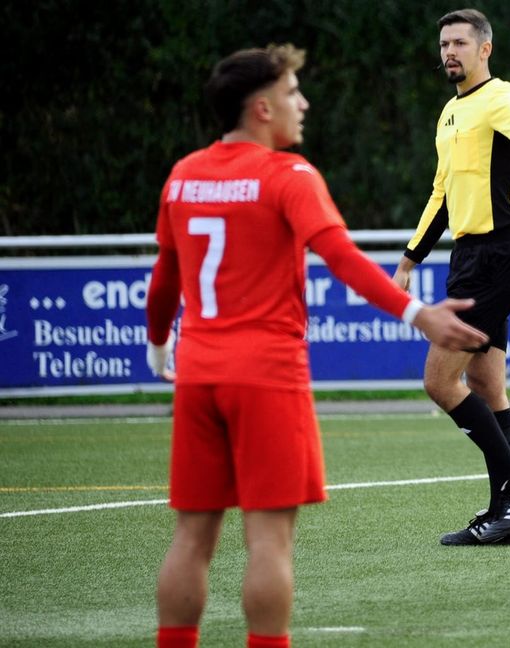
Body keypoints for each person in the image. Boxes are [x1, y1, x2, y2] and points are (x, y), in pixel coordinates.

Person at [146, 44, 488, 648]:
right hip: (267, 377)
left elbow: (165, 279)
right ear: (261, 108)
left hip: (199, 377)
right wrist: (416, 313)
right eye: (291, 92)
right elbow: (343, 260)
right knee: (269, 541)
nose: (301, 103)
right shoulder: (289, 176)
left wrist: (157, 345)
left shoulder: (183, 174)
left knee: (192, 536)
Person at [392, 8, 510, 546]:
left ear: (484, 49)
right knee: (487, 385)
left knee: (439, 382)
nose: (450, 51)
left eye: (460, 43)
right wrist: (408, 260)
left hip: (498, 257)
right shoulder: (448, 113)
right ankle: (505, 517)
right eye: (444, 43)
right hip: (467, 258)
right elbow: (441, 196)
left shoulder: (503, 97)